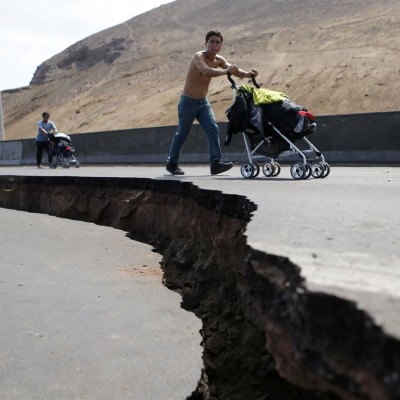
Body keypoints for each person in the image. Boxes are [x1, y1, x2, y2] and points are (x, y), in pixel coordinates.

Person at [166, 30, 258, 175]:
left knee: (212, 128)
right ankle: (172, 163)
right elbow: (205, 70)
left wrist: (248, 74)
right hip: (188, 102)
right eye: (212, 42)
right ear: (206, 43)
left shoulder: (219, 60)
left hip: (203, 103)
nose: (214, 45)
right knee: (182, 134)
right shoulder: (198, 56)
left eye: (217, 42)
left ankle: (215, 163)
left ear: (221, 45)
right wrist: (225, 72)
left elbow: (233, 69)